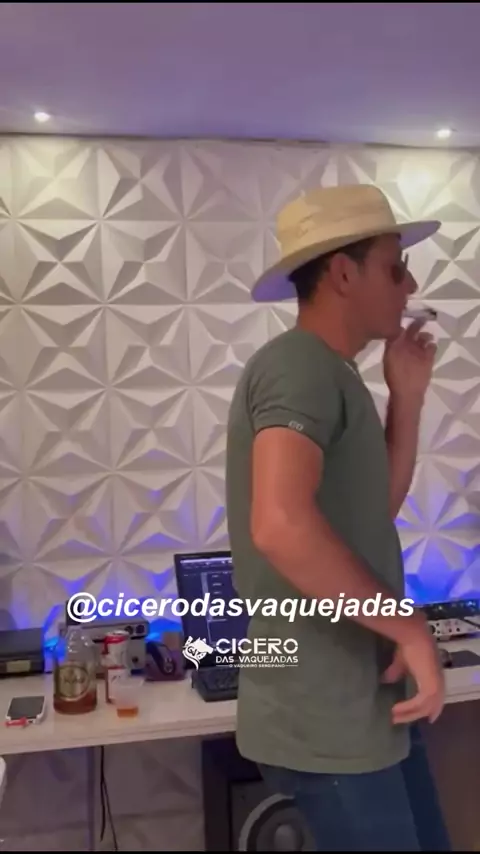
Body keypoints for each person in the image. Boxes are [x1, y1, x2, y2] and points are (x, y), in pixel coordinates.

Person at [225, 184, 450, 851]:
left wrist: (406, 396)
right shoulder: (297, 366)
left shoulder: (335, 373)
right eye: (395, 267)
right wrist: (408, 625)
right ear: (345, 275)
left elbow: (371, 515)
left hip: (363, 704)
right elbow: (280, 525)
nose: (410, 285)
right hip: (325, 714)